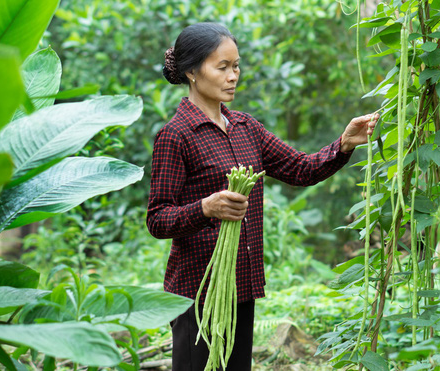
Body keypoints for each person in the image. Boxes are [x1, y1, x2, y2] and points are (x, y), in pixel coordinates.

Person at [146, 22, 379, 371]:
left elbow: (301, 168)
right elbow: (157, 218)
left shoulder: (245, 128)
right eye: (221, 67)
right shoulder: (176, 135)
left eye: (236, 66)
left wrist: (343, 145)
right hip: (197, 291)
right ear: (192, 72)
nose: (233, 76)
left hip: (241, 284)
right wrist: (205, 208)